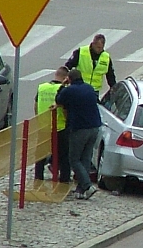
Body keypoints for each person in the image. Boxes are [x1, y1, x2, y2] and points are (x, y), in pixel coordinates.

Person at [55, 69, 101, 200]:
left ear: (69, 79)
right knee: (85, 159)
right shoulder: (89, 88)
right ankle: (81, 190)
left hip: (80, 129)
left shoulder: (69, 90)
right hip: (95, 127)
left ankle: (87, 186)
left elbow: (58, 100)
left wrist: (62, 85)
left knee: (74, 159)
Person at [34, 66, 71, 183]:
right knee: (64, 155)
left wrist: (40, 119)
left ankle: (38, 178)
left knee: (40, 155)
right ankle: (64, 179)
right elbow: (65, 109)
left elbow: (35, 105)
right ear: (65, 78)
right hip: (60, 127)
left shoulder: (42, 87)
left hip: (43, 126)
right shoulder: (63, 89)